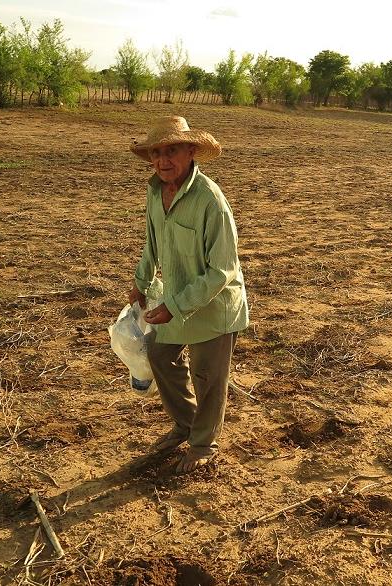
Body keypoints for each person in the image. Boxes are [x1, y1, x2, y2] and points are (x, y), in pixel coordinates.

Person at [127, 116, 249, 473]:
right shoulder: (154, 191)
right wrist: (141, 282)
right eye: (157, 153)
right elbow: (152, 242)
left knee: (207, 377)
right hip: (175, 298)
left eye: (172, 151)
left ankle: (202, 446)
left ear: (191, 151)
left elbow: (222, 271)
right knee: (159, 356)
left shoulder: (210, 200)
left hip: (214, 305)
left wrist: (174, 306)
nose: (164, 160)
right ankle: (186, 423)